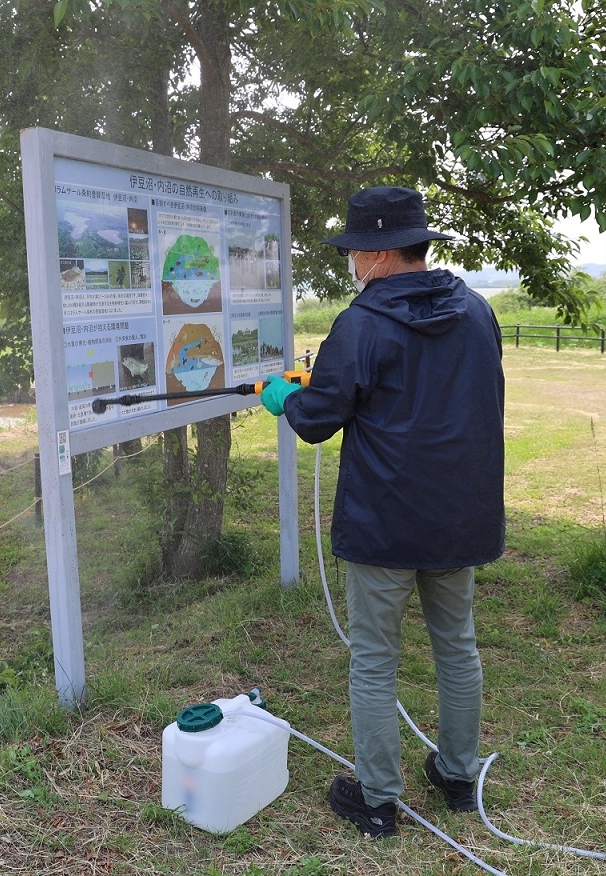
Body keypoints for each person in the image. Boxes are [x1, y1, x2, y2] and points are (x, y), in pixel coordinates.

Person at [260, 186, 505, 838]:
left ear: (376, 253)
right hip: (458, 516)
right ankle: (457, 775)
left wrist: (285, 396)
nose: (351, 263)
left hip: (384, 524)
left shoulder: (362, 323)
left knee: (374, 659)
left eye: (354, 251)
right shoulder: (477, 312)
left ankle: (376, 800)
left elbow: (317, 422)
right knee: (457, 648)